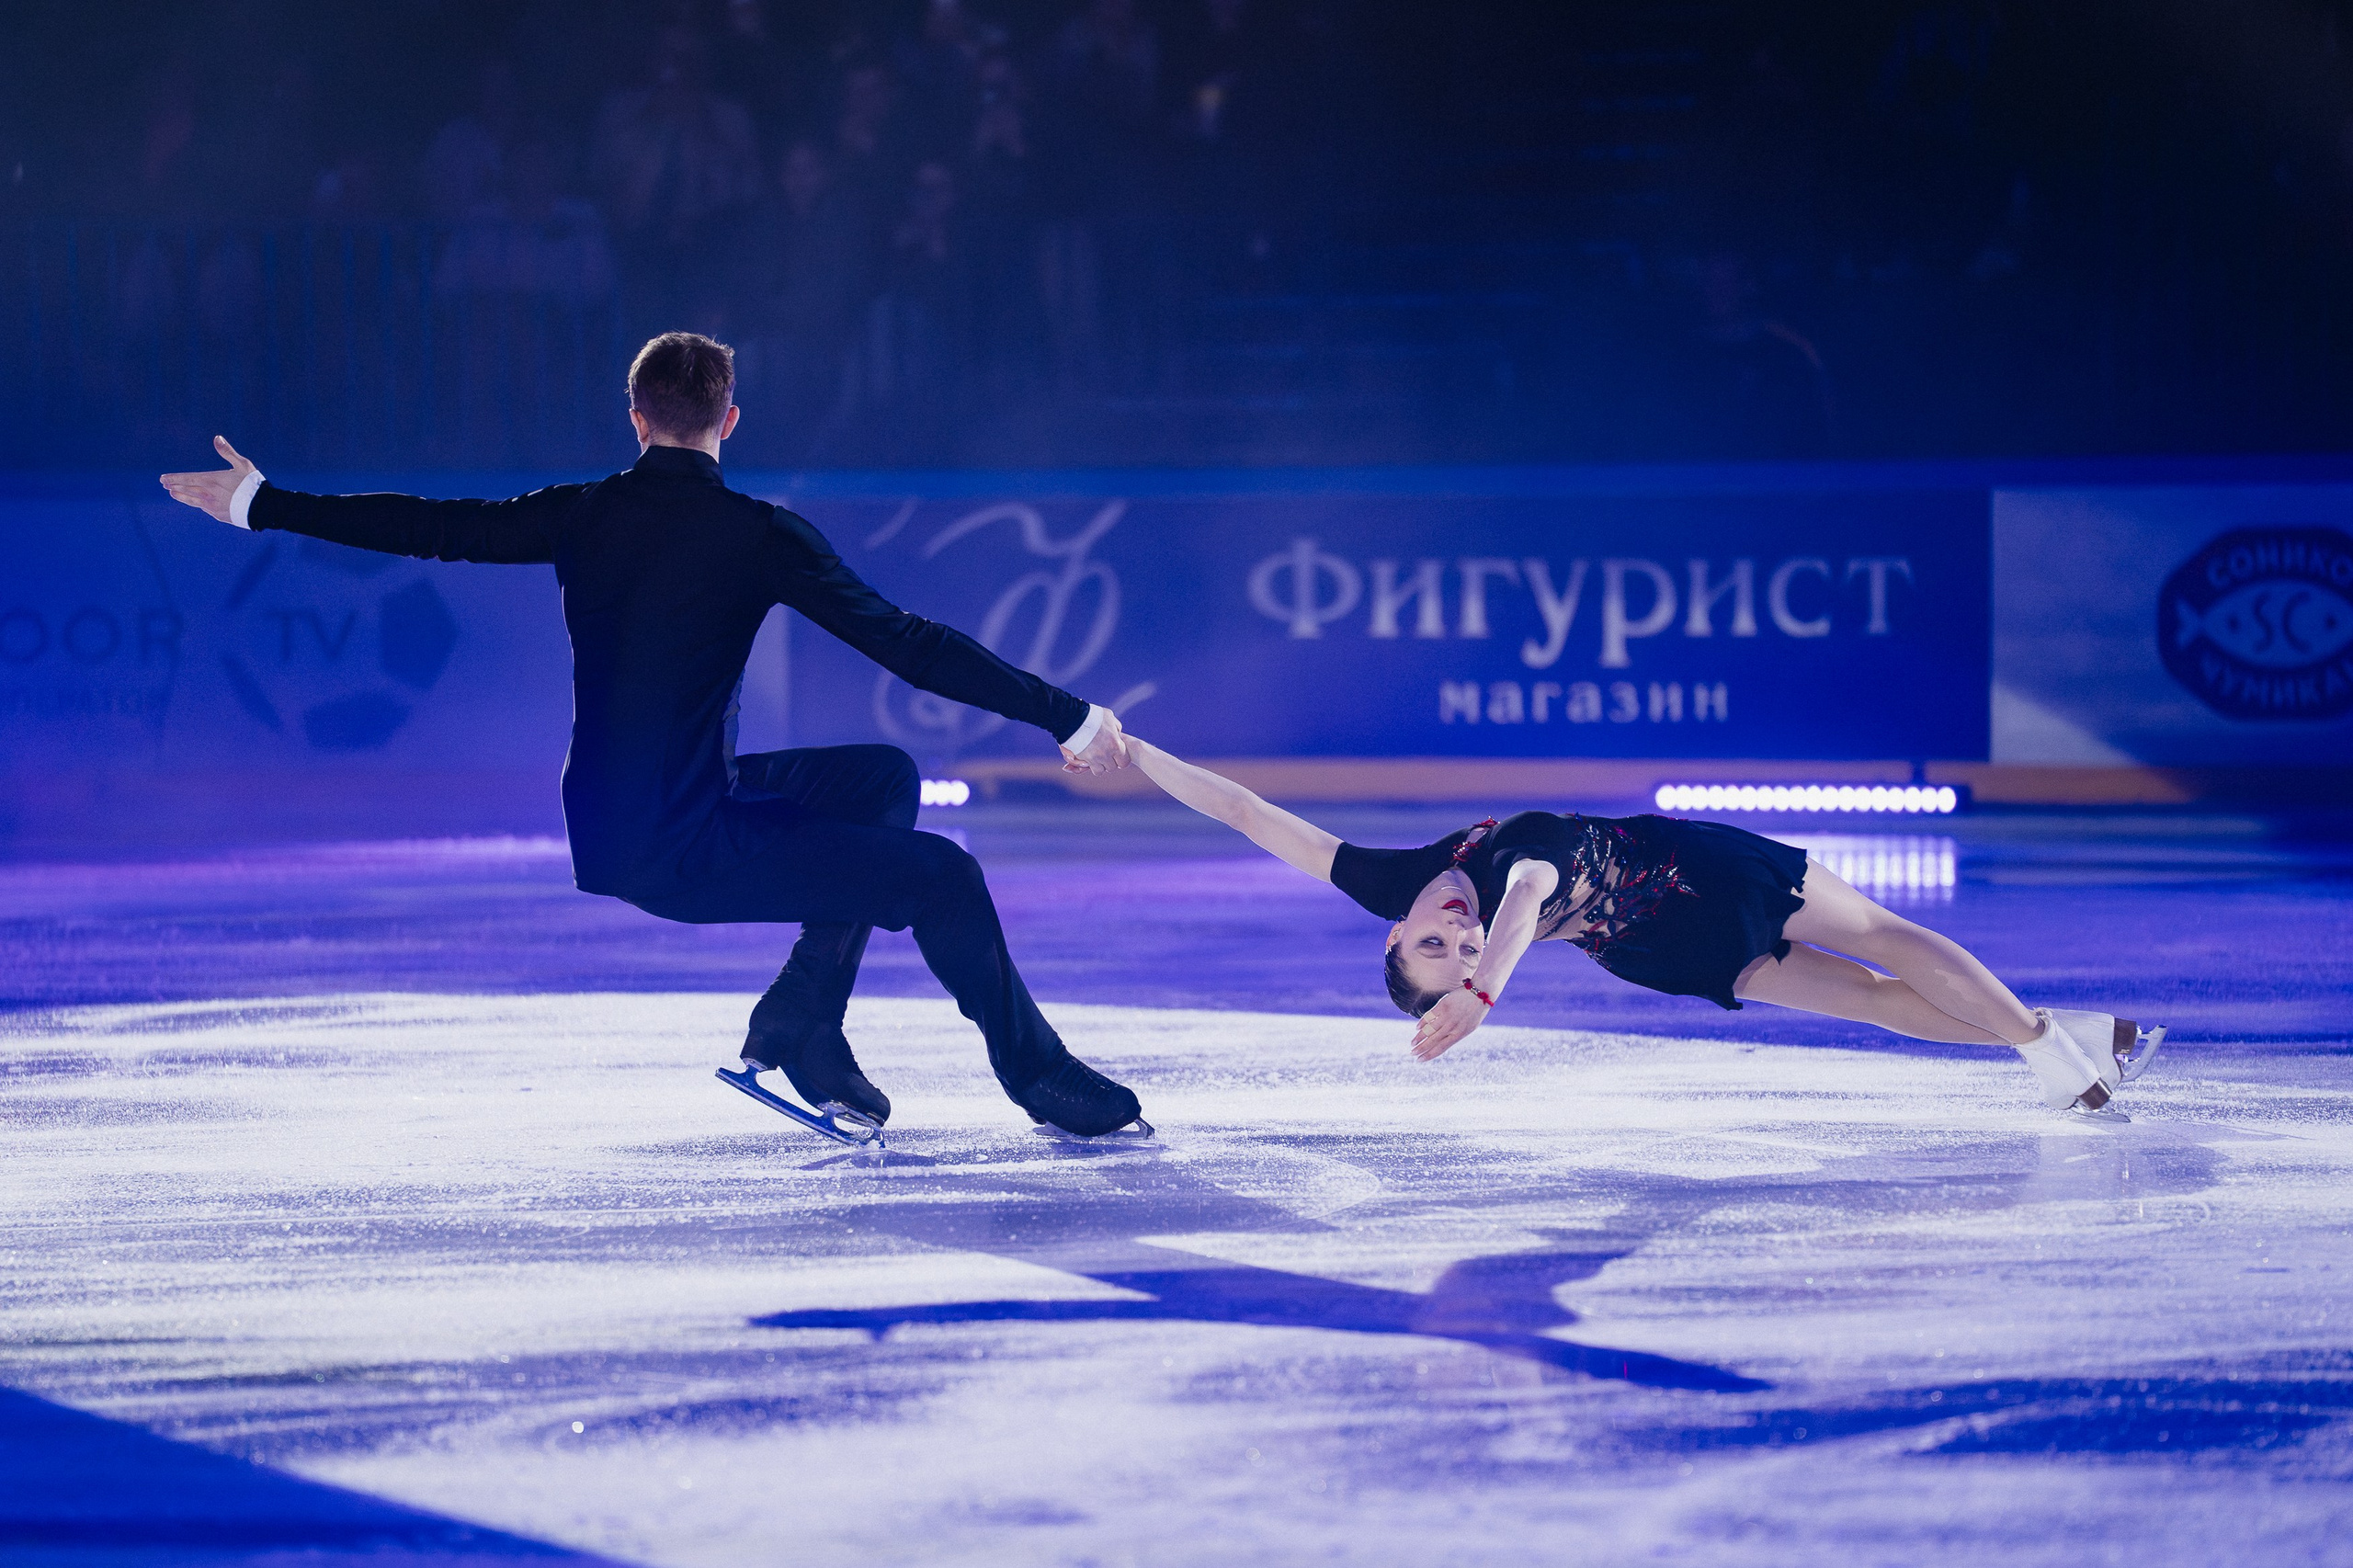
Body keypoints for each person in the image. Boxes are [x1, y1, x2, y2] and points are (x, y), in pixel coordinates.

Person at [158, 331, 1150, 1141]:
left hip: (613, 818)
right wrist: (1064, 711)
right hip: (687, 842)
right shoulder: (763, 534)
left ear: (635, 417)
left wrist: (261, 503)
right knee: (945, 875)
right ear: (729, 419)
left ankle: (804, 1020)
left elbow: (429, 524)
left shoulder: (581, 512)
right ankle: (1039, 1075)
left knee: (879, 777)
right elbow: (910, 644)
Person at [1124, 738, 2163, 1116]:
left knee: (1885, 937)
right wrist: (1481, 984)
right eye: (1455, 951)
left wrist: (1135, 752)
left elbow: (1251, 814)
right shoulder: (1481, 920)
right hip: (1655, 945)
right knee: (1875, 1004)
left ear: (1388, 935)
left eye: (1432, 944)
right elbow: (1524, 921)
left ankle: (2050, 1048)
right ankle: (2066, 1043)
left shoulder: (1428, 878)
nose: (1455, 933)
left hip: (1701, 865)